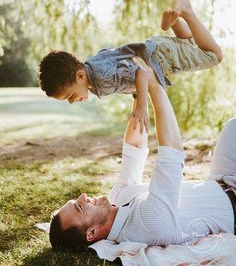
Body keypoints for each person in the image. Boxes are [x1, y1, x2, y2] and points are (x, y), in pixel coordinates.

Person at [49, 68, 236, 252]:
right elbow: (172, 152)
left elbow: (134, 149)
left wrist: (139, 91)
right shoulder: (148, 225)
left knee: (232, 127)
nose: (83, 197)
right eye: (80, 207)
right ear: (92, 233)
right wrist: (154, 84)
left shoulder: (117, 200)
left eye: (76, 200)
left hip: (222, 179)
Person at [39, 0, 223, 133]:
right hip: (156, 49)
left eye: (70, 96)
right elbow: (128, 77)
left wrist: (142, 107)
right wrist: (137, 99)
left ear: (79, 76)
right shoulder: (92, 69)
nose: (72, 102)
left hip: (161, 59)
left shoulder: (100, 78)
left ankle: (187, 12)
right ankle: (173, 22)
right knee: (189, 42)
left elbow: (139, 72)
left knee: (213, 55)